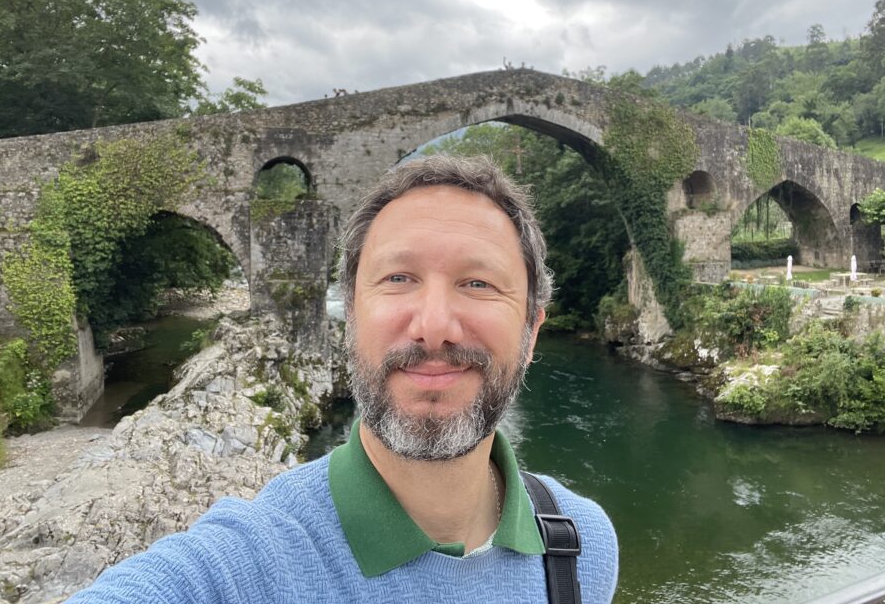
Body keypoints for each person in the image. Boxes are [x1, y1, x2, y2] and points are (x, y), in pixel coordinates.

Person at [67, 154, 619, 603]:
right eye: (398, 278)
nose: (432, 328)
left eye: (478, 284)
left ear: (531, 330)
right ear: (349, 317)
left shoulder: (582, 545)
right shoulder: (256, 558)